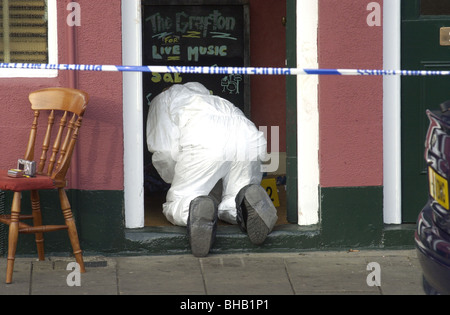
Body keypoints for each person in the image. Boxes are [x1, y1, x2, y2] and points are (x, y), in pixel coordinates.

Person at [146, 82, 278, 257]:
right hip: (249, 138)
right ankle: (245, 204)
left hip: (206, 141)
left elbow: (165, 151)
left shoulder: (164, 99)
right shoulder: (214, 99)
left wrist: (174, 178)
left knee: (181, 201)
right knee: (232, 199)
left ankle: (194, 209)